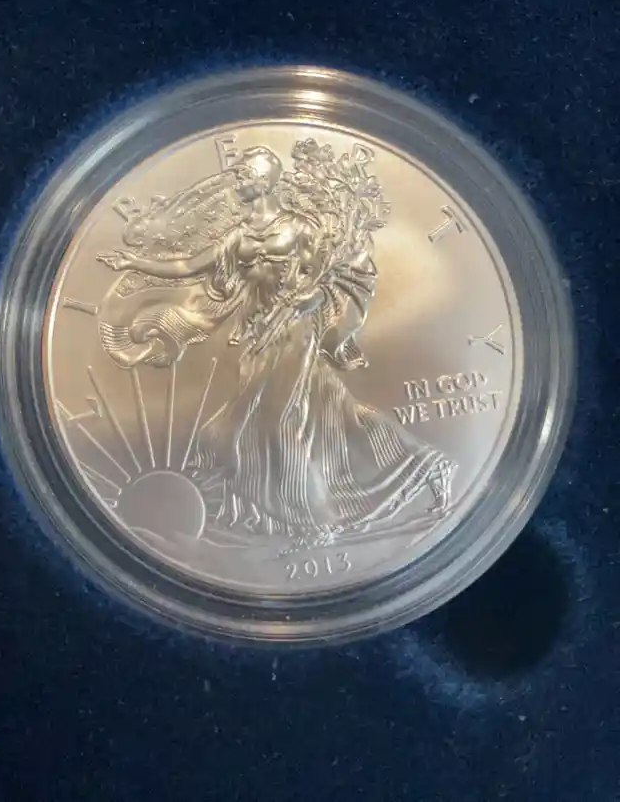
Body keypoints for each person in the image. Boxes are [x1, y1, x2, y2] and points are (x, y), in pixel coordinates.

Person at [97, 140, 456, 547]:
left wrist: (310, 298)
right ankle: (428, 466)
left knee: (273, 421)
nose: (237, 179)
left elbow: (331, 274)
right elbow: (188, 267)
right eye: (238, 173)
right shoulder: (237, 236)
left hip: (294, 332)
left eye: (244, 174)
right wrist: (133, 262)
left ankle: (317, 523)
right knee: (336, 417)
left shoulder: (301, 228)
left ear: (265, 181)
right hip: (259, 336)